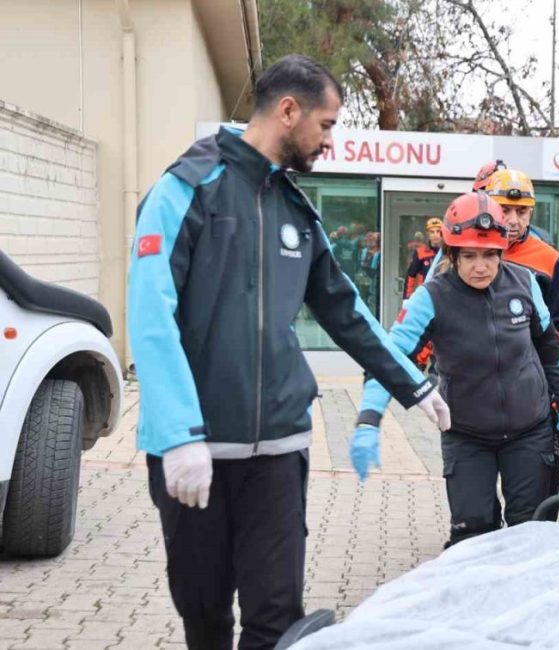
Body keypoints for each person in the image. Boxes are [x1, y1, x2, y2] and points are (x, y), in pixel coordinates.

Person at [127, 54, 451, 650]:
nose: (329, 140)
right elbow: (151, 317)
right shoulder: (185, 189)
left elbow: (346, 310)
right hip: (196, 451)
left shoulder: (295, 211)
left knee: (276, 618)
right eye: (326, 125)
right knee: (204, 615)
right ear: (287, 111)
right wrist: (177, 434)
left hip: (278, 451)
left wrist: (414, 383)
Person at [352, 191, 559, 547]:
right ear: (452, 254)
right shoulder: (431, 296)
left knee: (529, 534)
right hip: (467, 435)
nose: (480, 266)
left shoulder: (525, 282)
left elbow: (549, 345)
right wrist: (368, 417)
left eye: (489, 255)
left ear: (502, 251)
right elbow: (389, 357)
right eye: (469, 256)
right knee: (472, 536)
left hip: (530, 430)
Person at [486, 169, 559, 358]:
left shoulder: (549, 258)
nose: (513, 220)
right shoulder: (467, 252)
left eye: (521, 211)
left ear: (531, 212)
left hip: (530, 367)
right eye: (504, 210)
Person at [403, 217, 442, 299]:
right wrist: (407, 298)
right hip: (425, 294)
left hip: (443, 294)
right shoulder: (420, 252)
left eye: (438, 231)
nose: (435, 235)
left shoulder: (448, 252)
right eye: (432, 232)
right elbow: (411, 275)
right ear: (428, 234)